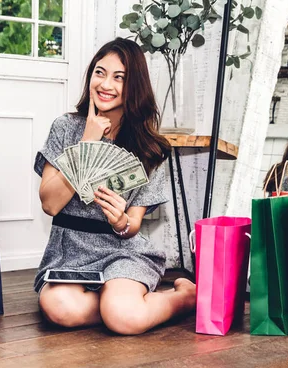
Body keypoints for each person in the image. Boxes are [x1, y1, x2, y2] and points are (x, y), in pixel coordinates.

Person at [33, 38, 196, 335]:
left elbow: (132, 224)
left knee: (125, 320)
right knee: (59, 308)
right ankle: (121, 301)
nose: (106, 84)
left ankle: (183, 298)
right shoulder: (65, 127)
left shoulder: (150, 148)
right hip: (70, 248)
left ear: (135, 86)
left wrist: (122, 221)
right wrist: (88, 142)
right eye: (100, 72)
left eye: (119, 77)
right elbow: (50, 203)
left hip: (121, 249)